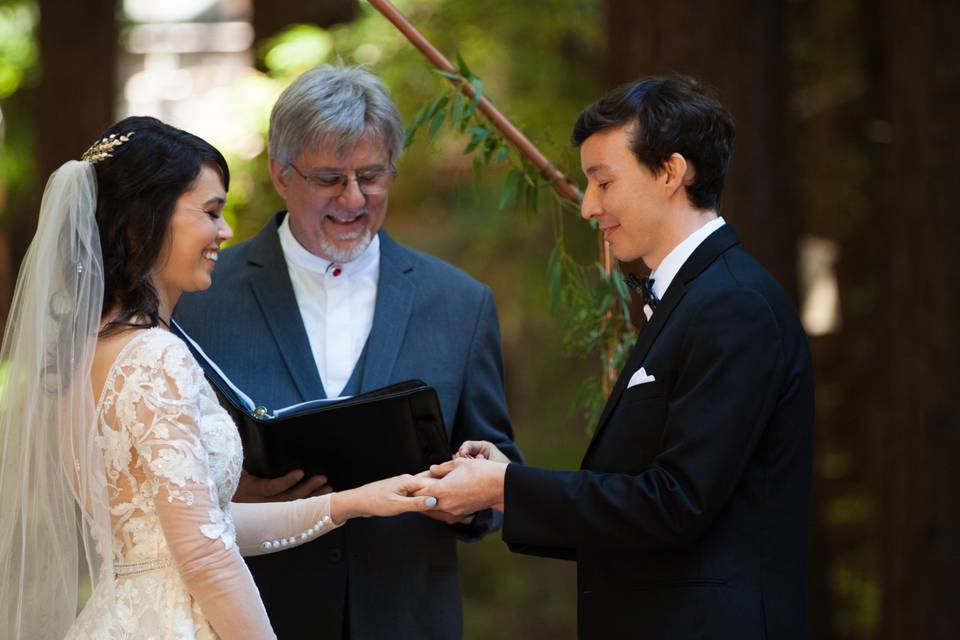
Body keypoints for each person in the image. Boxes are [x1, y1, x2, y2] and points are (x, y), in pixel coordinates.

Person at [0, 115, 441, 640]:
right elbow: (205, 556)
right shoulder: (154, 357)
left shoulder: (86, 351)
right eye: (211, 212)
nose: (225, 232)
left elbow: (202, 528)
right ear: (149, 218)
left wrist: (355, 501)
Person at [421, 75, 814, 640]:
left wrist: (502, 487)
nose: (587, 207)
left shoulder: (734, 305)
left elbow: (676, 503)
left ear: (672, 173)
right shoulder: (697, 298)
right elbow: (638, 493)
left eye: (603, 182)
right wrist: (506, 482)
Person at [174, 65, 522, 639]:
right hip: (254, 616)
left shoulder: (461, 303)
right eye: (331, 178)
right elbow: (151, 471)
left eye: (371, 175)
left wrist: (472, 498)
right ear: (281, 175)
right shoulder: (198, 299)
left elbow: (498, 466)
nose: (354, 198)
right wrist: (230, 489)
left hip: (407, 617)